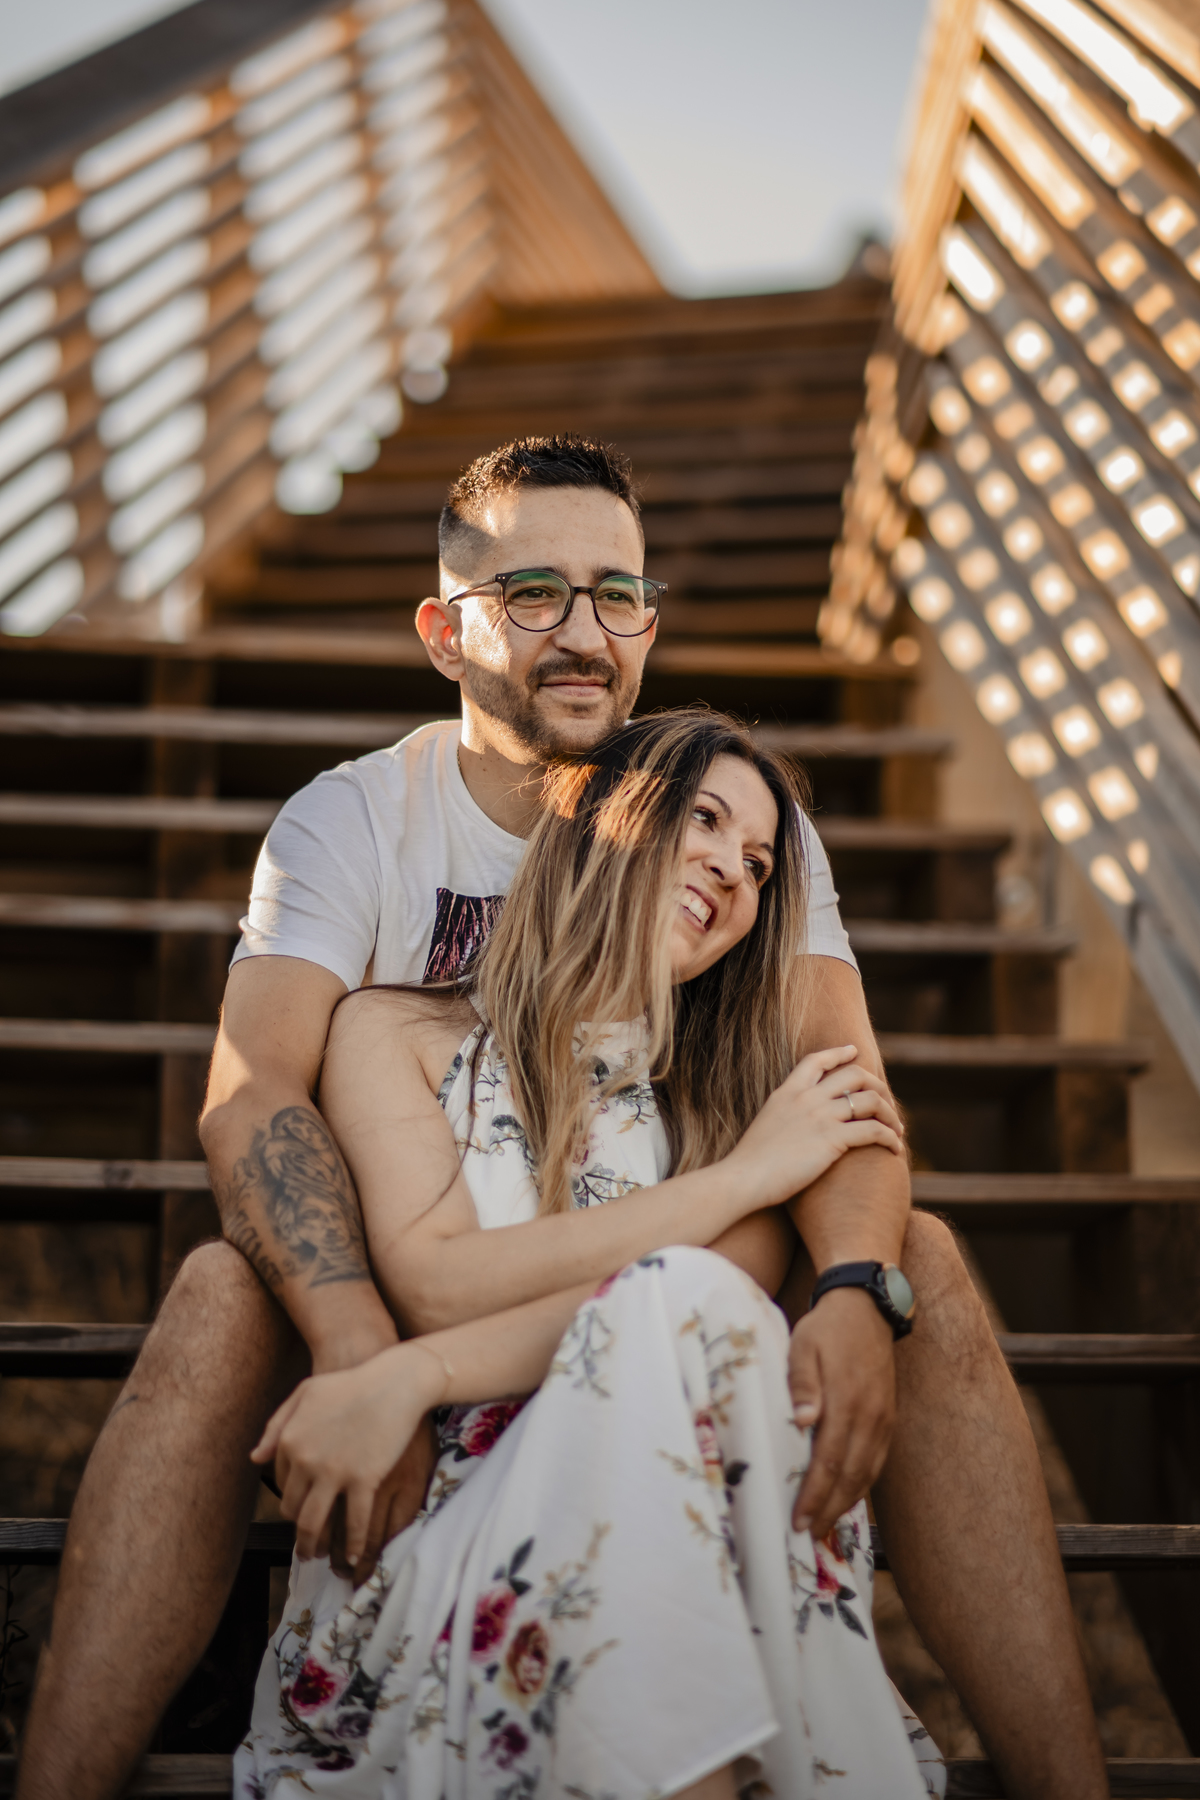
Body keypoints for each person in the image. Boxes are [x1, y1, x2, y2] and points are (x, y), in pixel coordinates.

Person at [16, 435, 1105, 1800]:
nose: (586, 634)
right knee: (218, 1294)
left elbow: (841, 1095)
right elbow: (255, 1098)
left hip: (662, 1298)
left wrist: (850, 1288)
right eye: (535, 593)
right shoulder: (357, 826)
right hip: (410, 1284)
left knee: (917, 1266)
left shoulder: (720, 820)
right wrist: (366, 1352)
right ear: (446, 631)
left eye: (619, 596)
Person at [236, 709, 941, 1798]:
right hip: (447, 1542)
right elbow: (436, 1282)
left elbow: (708, 1297)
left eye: (759, 865)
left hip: (685, 1537)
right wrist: (747, 1178)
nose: (734, 869)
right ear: (603, 821)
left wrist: (752, 1168)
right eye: (704, 821)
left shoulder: (724, 1111)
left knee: (694, 1304)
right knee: (681, 1292)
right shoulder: (399, 1034)